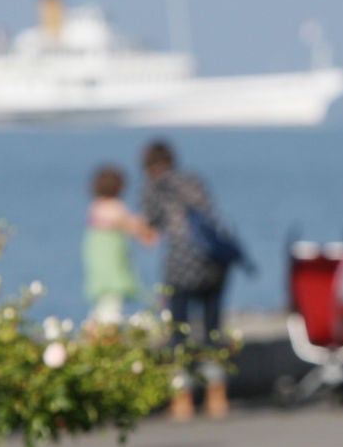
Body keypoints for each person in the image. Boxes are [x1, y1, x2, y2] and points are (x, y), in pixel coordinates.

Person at [140, 139, 232, 420]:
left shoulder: (154, 188)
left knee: (178, 333)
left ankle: (183, 399)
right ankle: (217, 396)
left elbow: (150, 230)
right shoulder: (193, 180)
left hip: (181, 268)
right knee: (212, 331)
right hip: (215, 263)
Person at [82, 164, 156, 324]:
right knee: (112, 308)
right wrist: (149, 229)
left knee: (103, 304)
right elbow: (134, 227)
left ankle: (95, 328)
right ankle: (107, 332)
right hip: (113, 269)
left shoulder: (95, 207)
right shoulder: (116, 207)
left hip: (98, 270)